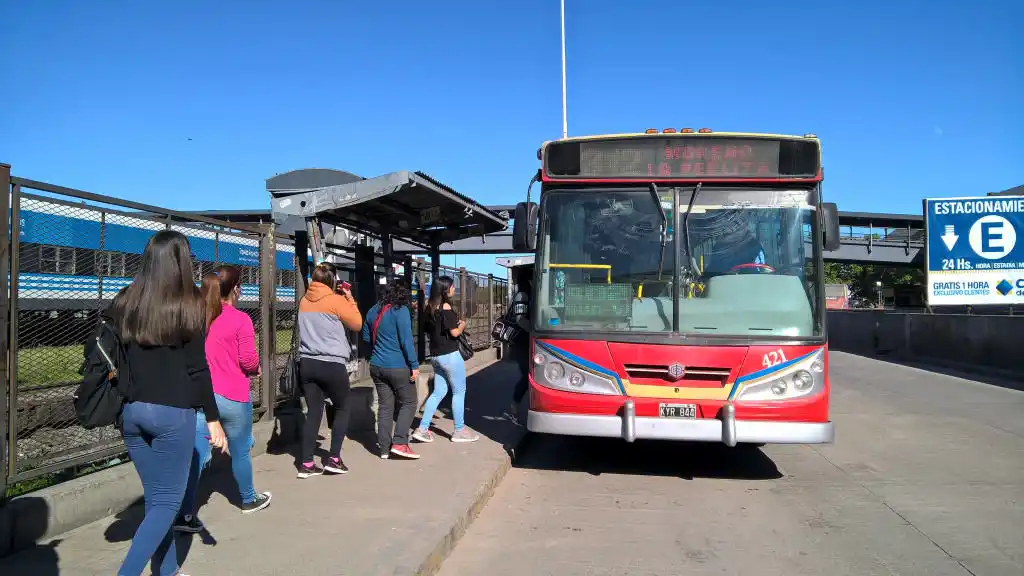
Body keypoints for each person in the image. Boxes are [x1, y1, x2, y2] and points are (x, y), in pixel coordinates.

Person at [110, 230, 227, 576]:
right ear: (182, 262)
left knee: (156, 501)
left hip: (131, 413)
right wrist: (213, 418)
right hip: (171, 413)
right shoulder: (190, 302)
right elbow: (197, 369)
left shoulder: (125, 299)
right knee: (165, 504)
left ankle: (168, 569)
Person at [175, 267, 271, 533]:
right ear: (237, 288)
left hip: (201, 397)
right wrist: (255, 369)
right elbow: (248, 360)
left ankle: (184, 514)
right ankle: (249, 499)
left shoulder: (196, 319)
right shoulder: (240, 319)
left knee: (199, 455)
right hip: (234, 396)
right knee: (240, 452)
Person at [296, 261, 362, 478]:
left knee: (314, 412)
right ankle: (333, 458)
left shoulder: (303, 301)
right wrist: (349, 297)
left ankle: (306, 464)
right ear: (333, 280)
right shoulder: (336, 301)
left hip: (307, 363)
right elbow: (357, 324)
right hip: (332, 364)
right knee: (343, 407)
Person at [412, 276, 480, 444]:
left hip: (435, 356)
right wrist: (462, 325)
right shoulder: (446, 306)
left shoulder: (429, 308)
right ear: (445, 289)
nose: (453, 289)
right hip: (450, 355)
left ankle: (422, 429)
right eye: (451, 286)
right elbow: (454, 333)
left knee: (438, 392)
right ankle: (459, 430)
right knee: (459, 392)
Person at [360, 280, 421, 459]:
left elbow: (365, 336)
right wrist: (415, 365)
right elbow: (406, 341)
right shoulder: (400, 311)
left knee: (386, 406)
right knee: (409, 402)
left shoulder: (373, 310)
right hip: (398, 366)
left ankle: (384, 448)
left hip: (377, 366)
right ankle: (400, 442)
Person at [507, 269, 532, 425]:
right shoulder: (522, 295)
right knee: (526, 378)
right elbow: (520, 319)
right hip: (521, 343)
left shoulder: (528, 294)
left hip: (525, 343)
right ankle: (514, 409)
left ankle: (516, 408)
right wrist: (534, 331)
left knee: (528, 377)